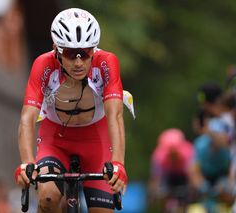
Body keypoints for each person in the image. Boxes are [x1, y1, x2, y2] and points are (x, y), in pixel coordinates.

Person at [14, 8, 131, 213]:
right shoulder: (43, 65)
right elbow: (27, 117)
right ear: (56, 49)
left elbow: (116, 115)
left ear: (93, 50)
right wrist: (26, 163)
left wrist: (118, 163)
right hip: (55, 139)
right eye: (70, 53)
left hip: (96, 138)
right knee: (48, 199)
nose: (78, 62)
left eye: (85, 53)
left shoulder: (106, 62)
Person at [148, 128, 194, 210]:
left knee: (186, 198)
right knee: (163, 195)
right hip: (168, 177)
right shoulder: (159, 156)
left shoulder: (188, 153)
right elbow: (155, 178)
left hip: (183, 176)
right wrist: (153, 194)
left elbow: (192, 174)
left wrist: (193, 190)